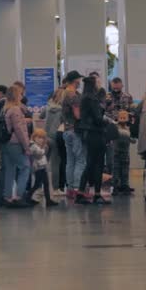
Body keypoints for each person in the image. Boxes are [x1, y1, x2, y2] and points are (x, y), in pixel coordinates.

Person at [76, 77, 110, 205]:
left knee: (90, 163)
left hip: (89, 133)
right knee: (97, 164)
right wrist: (107, 122)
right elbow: (98, 118)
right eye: (98, 82)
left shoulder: (84, 98)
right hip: (96, 133)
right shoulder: (91, 99)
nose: (100, 84)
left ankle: (81, 192)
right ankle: (96, 194)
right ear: (93, 84)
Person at [2, 85, 32, 208]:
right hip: (16, 143)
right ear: (16, 96)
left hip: (7, 143)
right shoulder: (15, 110)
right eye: (20, 94)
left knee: (10, 169)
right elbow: (19, 130)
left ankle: (7, 196)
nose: (22, 96)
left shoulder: (6, 109)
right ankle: (19, 196)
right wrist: (27, 147)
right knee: (25, 167)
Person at [61, 71, 86, 199]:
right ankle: (77, 187)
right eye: (79, 79)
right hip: (75, 131)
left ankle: (70, 188)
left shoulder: (64, 93)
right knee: (80, 160)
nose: (80, 82)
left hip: (66, 130)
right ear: (75, 80)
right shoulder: (73, 95)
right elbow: (77, 115)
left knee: (70, 161)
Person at [104, 77, 134, 175]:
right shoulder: (106, 97)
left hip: (124, 129)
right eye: (114, 86)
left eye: (118, 86)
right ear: (111, 86)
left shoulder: (127, 97)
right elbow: (102, 112)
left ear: (122, 85)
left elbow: (132, 112)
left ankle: (124, 183)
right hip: (110, 129)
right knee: (111, 156)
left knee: (125, 157)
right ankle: (113, 181)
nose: (116, 88)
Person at [27, 128, 58, 207]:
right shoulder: (33, 146)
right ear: (34, 137)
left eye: (42, 138)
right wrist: (43, 149)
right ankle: (27, 197)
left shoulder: (37, 146)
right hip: (38, 168)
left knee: (45, 183)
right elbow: (39, 154)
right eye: (39, 138)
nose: (41, 140)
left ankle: (48, 200)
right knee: (37, 184)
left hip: (42, 167)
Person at [44, 88, 66, 196]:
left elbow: (41, 116)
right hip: (56, 136)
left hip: (45, 136)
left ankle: (40, 186)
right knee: (55, 163)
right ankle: (56, 188)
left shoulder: (48, 107)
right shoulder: (62, 110)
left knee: (43, 162)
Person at [112, 110, 136, 196]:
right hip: (119, 152)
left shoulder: (117, 128)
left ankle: (122, 185)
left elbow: (133, 140)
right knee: (118, 169)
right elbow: (133, 140)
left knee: (120, 169)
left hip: (120, 152)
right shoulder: (123, 128)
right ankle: (119, 185)